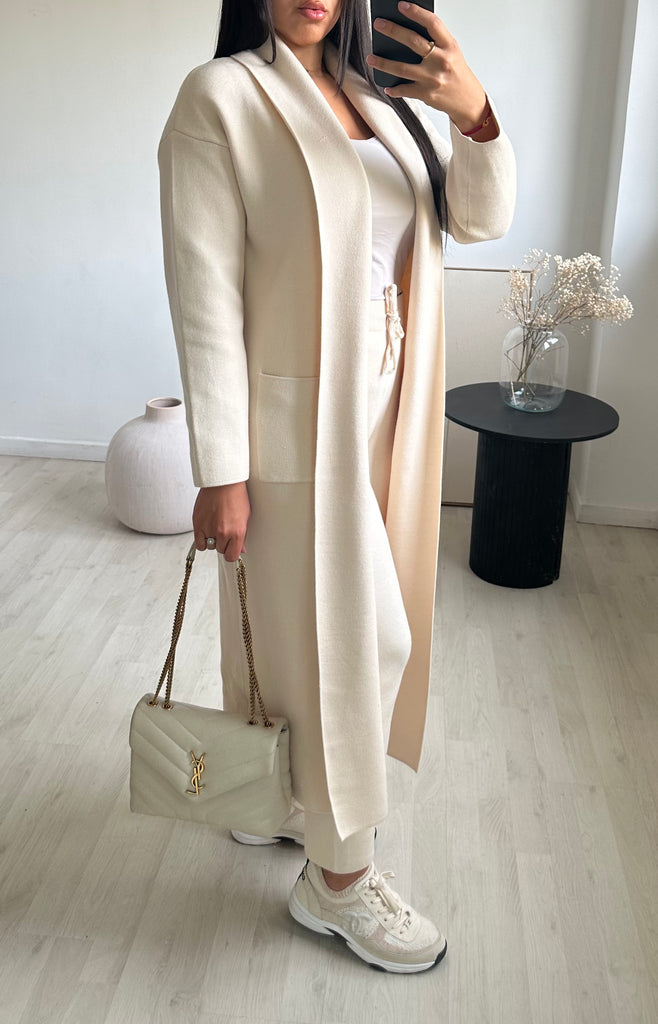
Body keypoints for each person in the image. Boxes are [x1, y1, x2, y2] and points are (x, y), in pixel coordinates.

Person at [158, 0, 516, 973]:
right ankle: (340, 879)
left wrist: (474, 116)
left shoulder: (382, 99)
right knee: (353, 639)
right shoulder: (220, 98)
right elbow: (204, 295)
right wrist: (221, 468)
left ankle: (272, 794)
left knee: (298, 629)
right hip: (294, 425)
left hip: (390, 414)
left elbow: (477, 218)